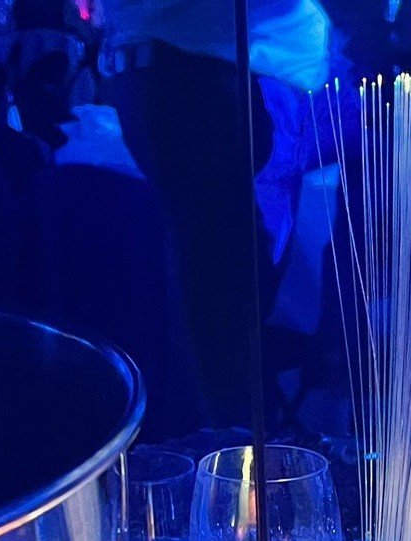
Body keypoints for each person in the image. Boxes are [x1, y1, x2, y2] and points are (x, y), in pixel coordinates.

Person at [100, 0, 331, 432]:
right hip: (202, 76)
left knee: (213, 282)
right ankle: (236, 452)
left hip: (176, 69)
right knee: (227, 288)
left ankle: (229, 444)